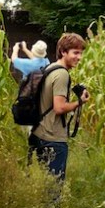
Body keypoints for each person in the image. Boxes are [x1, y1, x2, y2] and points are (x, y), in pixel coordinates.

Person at [28, 32, 90, 185]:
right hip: (53, 139)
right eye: (75, 52)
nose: (79, 57)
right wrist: (79, 102)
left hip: (39, 134)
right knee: (54, 190)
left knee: (45, 185)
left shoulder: (50, 68)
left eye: (81, 53)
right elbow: (59, 108)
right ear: (63, 52)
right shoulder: (62, 74)